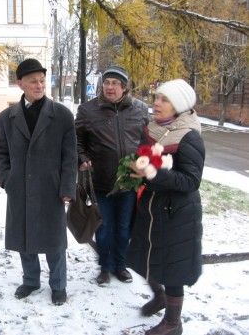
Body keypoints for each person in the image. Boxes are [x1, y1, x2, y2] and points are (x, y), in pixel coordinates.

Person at [0, 58, 77, 305]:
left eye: (42, 81)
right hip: (19, 188)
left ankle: (58, 285)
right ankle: (31, 280)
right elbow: (2, 153)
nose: (39, 86)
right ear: (21, 84)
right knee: (24, 237)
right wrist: (7, 179)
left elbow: (70, 156)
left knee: (54, 241)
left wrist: (66, 188)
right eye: (33, 82)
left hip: (50, 189)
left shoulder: (61, 115)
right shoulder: (6, 117)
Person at [127, 79, 204, 335]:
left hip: (176, 214)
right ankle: (159, 297)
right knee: (149, 259)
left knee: (172, 268)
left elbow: (191, 181)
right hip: (151, 208)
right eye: (156, 97)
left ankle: (173, 322)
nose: (156, 103)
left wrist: (151, 172)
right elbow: (145, 157)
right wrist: (136, 167)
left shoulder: (189, 136)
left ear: (178, 106)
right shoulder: (152, 129)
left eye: (164, 100)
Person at [75, 65, 149, 285]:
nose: (110, 87)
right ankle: (105, 267)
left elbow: (146, 142)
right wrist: (82, 158)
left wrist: (143, 163)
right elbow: (77, 140)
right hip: (101, 181)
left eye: (115, 83)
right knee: (104, 227)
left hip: (130, 182)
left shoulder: (140, 110)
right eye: (107, 82)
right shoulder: (88, 110)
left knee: (124, 227)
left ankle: (120, 265)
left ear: (124, 87)